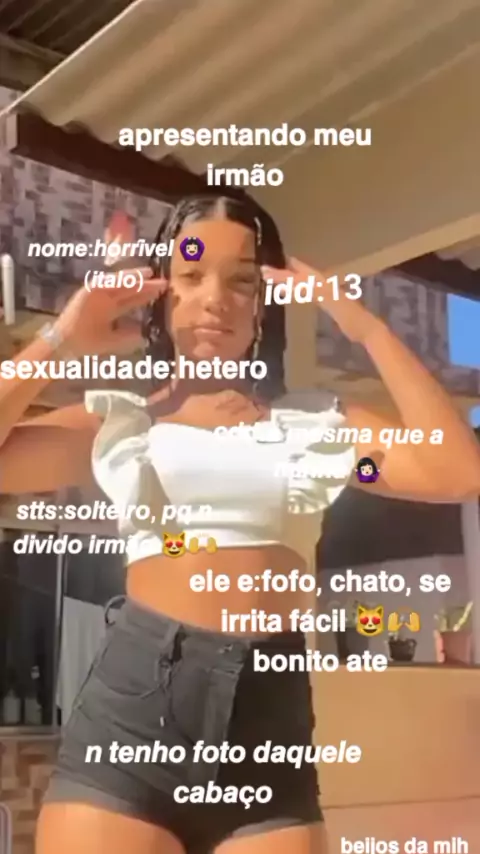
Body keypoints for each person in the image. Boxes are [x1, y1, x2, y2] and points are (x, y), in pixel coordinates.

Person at [0, 193, 479, 854]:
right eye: (192, 275)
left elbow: (457, 470)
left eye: (243, 281)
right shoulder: (120, 423)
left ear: (265, 303)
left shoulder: (318, 431)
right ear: (161, 294)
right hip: (132, 724)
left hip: (268, 731)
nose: (215, 299)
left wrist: (364, 326)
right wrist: (61, 338)